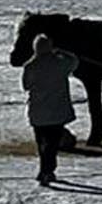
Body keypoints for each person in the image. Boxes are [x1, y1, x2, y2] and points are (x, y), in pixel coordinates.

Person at [20, 33, 80, 186]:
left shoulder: (30, 66)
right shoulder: (59, 64)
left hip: (37, 112)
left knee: (41, 143)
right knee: (52, 144)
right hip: (56, 111)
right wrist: (61, 52)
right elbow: (74, 62)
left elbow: (26, 86)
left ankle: (43, 170)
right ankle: (48, 171)